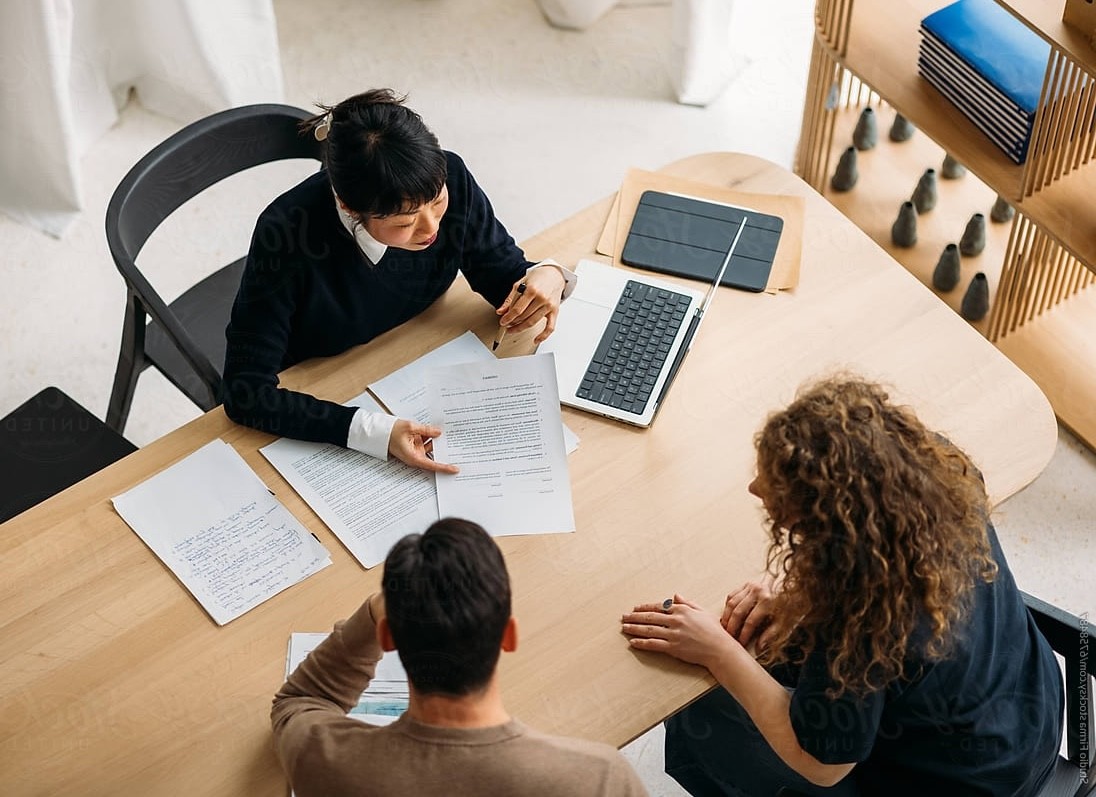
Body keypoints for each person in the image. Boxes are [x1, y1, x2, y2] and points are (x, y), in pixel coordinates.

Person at [621, 376, 1064, 796]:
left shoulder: (862, 618)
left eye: (778, 489)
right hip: (1027, 716)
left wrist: (717, 652)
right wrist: (800, 594)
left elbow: (821, 765)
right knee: (769, 650)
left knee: (700, 700)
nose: (755, 488)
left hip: (959, 784)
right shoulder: (940, 477)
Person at [222, 88, 576, 473]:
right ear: (348, 206)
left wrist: (548, 275)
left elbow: (499, 271)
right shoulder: (286, 235)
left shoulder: (450, 175)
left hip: (417, 346)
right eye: (405, 222)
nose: (432, 228)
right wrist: (375, 433)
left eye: (438, 202)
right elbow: (245, 394)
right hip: (319, 373)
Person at [272, 517, 647, 797]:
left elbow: (299, 701)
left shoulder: (324, 760)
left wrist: (373, 610)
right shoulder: (600, 780)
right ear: (508, 636)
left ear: (388, 638)